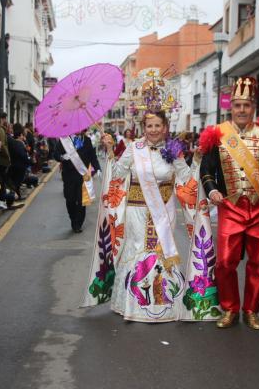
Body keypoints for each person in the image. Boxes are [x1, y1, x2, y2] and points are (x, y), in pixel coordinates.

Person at [82, 68, 216, 323]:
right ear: (143, 127)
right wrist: (110, 151)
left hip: (163, 210)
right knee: (136, 249)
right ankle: (133, 306)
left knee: (162, 251)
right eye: (149, 125)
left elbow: (187, 179)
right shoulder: (134, 148)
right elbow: (119, 173)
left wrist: (197, 159)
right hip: (135, 210)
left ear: (165, 126)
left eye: (158, 125)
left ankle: (164, 302)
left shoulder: (175, 149)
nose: (153, 130)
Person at [199, 76, 259, 330]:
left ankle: (251, 309)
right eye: (237, 105)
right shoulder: (218, 135)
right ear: (231, 107)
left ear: (254, 108)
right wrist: (212, 189)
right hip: (230, 208)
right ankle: (230, 308)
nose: (241, 110)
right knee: (225, 262)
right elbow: (206, 170)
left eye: (247, 105)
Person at [56, 129, 100, 233]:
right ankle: (73, 218)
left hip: (82, 176)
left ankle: (78, 224)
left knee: (81, 201)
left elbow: (93, 157)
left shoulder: (87, 140)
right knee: (70, 199)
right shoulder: (64, 140)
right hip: (68, 175)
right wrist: (62, 157)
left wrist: (98, 168)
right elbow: (55, 154)